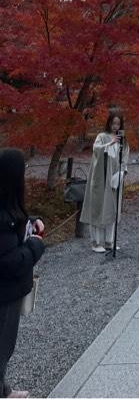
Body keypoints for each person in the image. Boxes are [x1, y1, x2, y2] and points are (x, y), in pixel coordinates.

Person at [0, 149, 46, 399]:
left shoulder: (6, 205)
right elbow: (10, 262)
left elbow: (15, 222)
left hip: (8, 293)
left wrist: (31, 223)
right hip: (4, 294)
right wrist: (36, 244)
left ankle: (4, 390)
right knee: (2, 347)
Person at [80, 111, 130, 252]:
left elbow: (125, 156)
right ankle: (95, 242)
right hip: (101, 178)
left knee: (112, 207)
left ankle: (109, 241)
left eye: (118, 123)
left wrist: (122, 171)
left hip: (115, 179)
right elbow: (96, 150)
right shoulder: (102, 137)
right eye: (113, 123)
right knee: (97, 207)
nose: (115, 126)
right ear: (109, 123)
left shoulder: (123, 140)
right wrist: (110, 143)